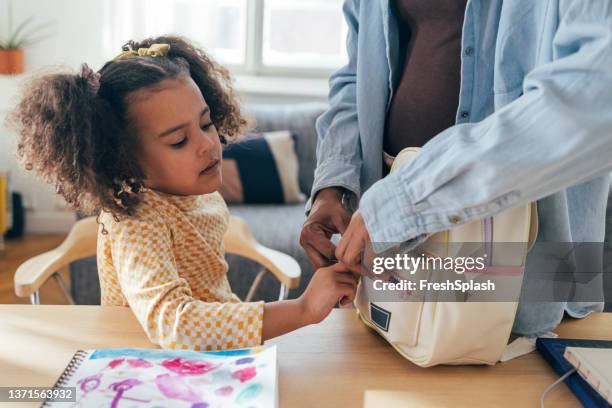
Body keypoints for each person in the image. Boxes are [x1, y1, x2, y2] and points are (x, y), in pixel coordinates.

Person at [8, 36, 358, 351]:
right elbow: (176, 325)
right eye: (178, 141)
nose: (208, 144)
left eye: (206, 124)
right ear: (124, 158)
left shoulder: (196, 192)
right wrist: (301, 309)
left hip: (213, 355)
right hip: (152, 370)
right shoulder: (136, 222)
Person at [301, 0, 612, 335]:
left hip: (536, 257)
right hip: (391, 239)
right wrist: (333, 186)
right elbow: (355, 76)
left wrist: (404, 201)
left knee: (527, 370)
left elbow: (595, 94)